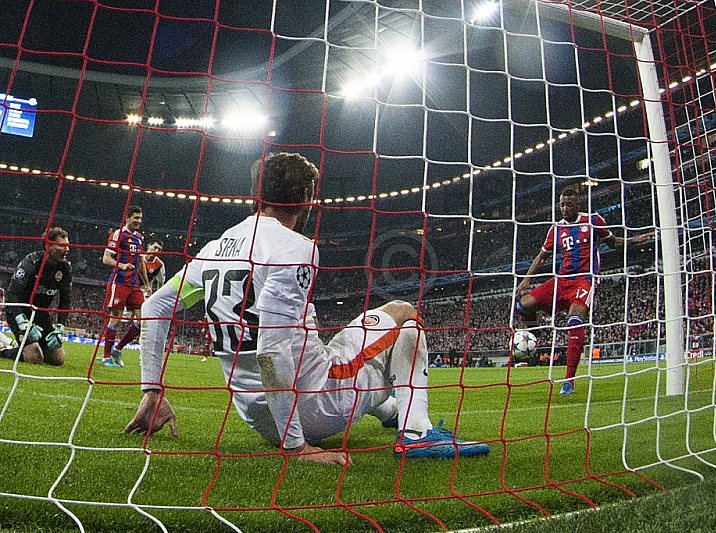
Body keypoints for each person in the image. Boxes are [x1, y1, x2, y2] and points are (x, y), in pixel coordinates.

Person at [124, 152, 489, 464]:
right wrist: (297, 447)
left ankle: (391, 411)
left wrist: (152, 391)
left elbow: (156, 306)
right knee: (403, 313)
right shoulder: (295, 247)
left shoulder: (217, 247)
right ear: (305, 198)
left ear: (258, 194)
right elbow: (271, 349)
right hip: (313, 410)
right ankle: (417, 432)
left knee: (329, 341)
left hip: (259, 418)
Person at [514, 188, 652, 395]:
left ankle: (569, 381)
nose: (565, 208)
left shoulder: (594, 221)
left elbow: (613, 243)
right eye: (562, 204)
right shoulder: (556, 229)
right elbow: (542, 257)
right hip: (562, 280)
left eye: (569, 204)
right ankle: (535, 335)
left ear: (578, 205)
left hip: (585, 280)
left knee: (575, 321)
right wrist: (526, 280)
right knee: (523, 305)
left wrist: (635, 241)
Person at [1, 228, 71, 365]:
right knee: (35, 358)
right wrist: (22, 321)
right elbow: (11, 295)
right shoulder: (31, 262)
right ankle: (5, 350)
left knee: (58, 359)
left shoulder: (65, 268)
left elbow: (65, 301)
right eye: (62, 246)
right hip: (20, 313)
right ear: (48, 246)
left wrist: (60, 327)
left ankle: (33, 346)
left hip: (41, 314)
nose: (67, 249)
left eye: (68, 245)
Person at [100, 205, 151, 367]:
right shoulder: (118, 235)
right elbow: (106, 258)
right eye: (135, 217)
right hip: (120, 282)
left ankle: (118, 348)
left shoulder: (140, 238)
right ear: (127, 218)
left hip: (135, 285)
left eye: (140, 218)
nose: (138, 221)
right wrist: (121, 265)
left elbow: (141, 263)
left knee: (142, 321)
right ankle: (106, 357)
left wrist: (147, 284)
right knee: (116, 319)